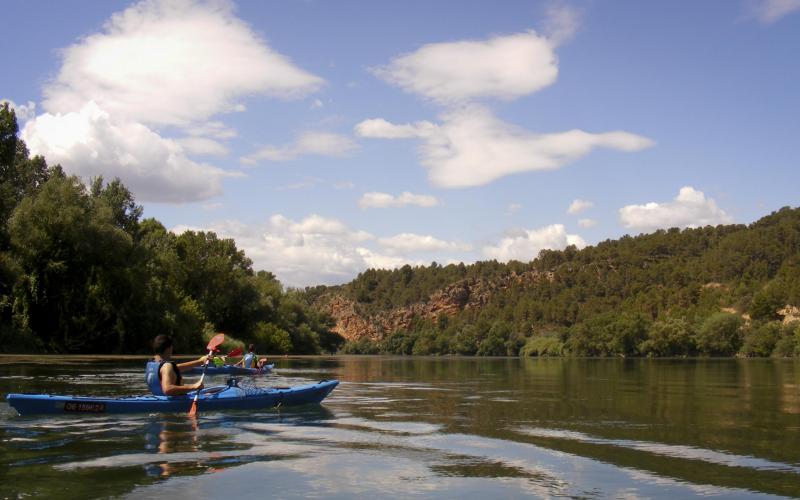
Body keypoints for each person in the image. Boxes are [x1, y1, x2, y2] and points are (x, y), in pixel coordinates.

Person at [145, 335, 209, 396]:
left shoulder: (151, 363)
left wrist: (200, 362)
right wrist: (194, 386)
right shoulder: (166, 366)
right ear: (168, 349)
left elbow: (173, 369)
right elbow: (167, 389)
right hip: (175, 402)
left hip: (158, 398)